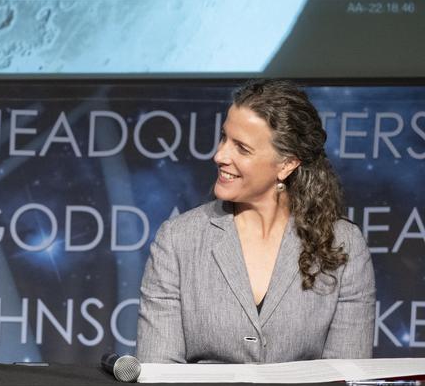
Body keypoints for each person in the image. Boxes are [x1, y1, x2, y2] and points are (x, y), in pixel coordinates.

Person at [137, 79, 374, 363]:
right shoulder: (178, 240)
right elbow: (160, 372)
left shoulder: (343, 244)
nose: (220, 155)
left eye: (242, 148)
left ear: (287, 164)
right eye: (224, 138)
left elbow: (345, 377)